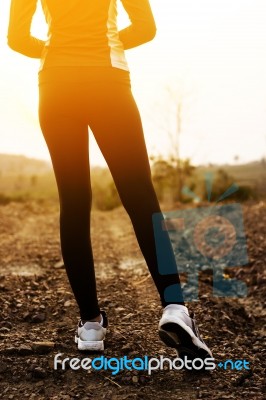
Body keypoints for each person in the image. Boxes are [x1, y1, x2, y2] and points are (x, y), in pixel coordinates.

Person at [7, 0, 212, 361]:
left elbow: (16, 37)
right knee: (141, 196)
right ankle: (174, 306)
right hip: (108, 78)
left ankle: (90, 325)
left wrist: (57, 48)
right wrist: (106, 42)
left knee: (73, 203)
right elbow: (145, 27)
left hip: (56, 82)